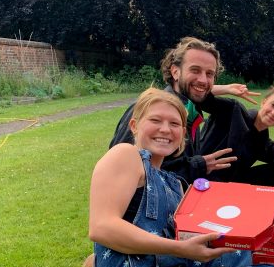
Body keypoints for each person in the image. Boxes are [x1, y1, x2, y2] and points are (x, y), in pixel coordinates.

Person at [90, 88, 274, 267]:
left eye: (174, 123)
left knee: (236, 250)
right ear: (134, 125)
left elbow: (186, 236)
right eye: (155, 121)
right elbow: (101, 227)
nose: (165, 129)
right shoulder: (126, 155)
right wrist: (182, 248)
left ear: (182, 136)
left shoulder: (173, 182)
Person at [109, 36, 260, 187]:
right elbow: (120, 171)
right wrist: (198, 165)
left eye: (209, 74)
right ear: (175, 72)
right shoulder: (148, 109)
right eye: (195, 70)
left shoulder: (191, 111)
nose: (203, 80)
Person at [197, 75, 274, 191]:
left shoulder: (263, 142)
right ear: (264, 102)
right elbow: (199, 97)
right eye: (273, 105)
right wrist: (227, 89)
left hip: (229, 185)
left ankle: (270, 207)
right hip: (200, 176)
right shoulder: (233, 110)